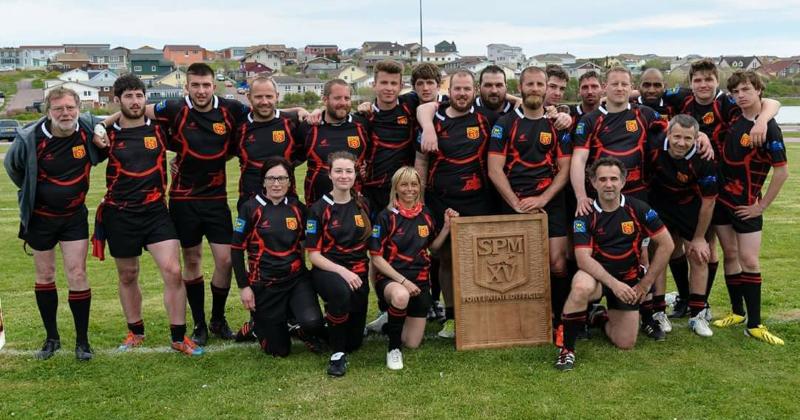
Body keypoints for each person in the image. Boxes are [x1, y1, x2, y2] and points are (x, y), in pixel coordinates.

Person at [660, 59, 780, 320]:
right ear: (690, 83)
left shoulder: (727, 102)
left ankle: (701, 304)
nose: (703, 85)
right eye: (698, 80)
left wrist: (762, 120)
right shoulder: (682, 99)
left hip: (718, 185)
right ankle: (685, 298)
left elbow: (770, 102)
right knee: (678, 245)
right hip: (686, 183)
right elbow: (647, 93)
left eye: (708, 80)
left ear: (716, 82)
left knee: (709, 248)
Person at [91, 74, 202, 356]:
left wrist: (179, 160)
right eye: (128, 96)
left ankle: (179, 336)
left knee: (173, 271)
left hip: (155, 212)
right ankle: (135, 331)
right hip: (119, 213)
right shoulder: (107, 135)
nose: (135, 101)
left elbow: (193, 145)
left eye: (139, 95)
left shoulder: (160, 130)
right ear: (118, 100)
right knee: (128, 274)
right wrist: (101, 124)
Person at [4, 87, 102, 360]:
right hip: (40, 219)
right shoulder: (29, 138)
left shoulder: (87, 130)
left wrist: (102, 134)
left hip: (73, 218)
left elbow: (112, 121)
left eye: (70, 107)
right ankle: (52, 339)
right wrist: (33, 192)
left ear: (78, 109)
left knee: (78, 274)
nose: (65, 113)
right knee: (45, 276)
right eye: (58, 108)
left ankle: (82, 342)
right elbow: (13, 168)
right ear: (48, 111)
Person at [556, 157, 674, 371]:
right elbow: (583, 258)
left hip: (628, 280)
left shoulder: (639, 208)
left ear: (623, 181)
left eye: (613, 179)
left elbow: (667, 244)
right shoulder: (585, 214)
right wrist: (614, 285)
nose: (608, 184)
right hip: (598, 279)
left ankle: (599, 317)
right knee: (581, 286)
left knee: (625, 342)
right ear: (593, 182)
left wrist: (645, 284)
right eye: (602, 179)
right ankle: (567, 350)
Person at [487, 66, 572, 344]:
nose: (535, 88)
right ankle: (522, 322)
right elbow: (494, 169)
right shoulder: (505, 123)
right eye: (530, 84)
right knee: (515, 266)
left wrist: (543, 199)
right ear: (520, 87)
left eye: (540, 84)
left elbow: (565, 168)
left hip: (551, 201)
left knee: (557, 264)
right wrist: (517, 203)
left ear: (547, 88)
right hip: (514, 201)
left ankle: (559, 320)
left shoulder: (557, 124)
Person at [415, 69, 501, 338]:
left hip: (479, 201)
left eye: (467, 89)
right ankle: (451, 316)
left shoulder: (487, 119)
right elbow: (421, 163)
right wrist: (417, 201)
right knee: (445, 258)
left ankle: (482, 312)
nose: (462, 94)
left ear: (474, 91)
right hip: (441, 201)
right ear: (448, 91)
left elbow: (515, 102)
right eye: (457, 89)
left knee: (483, 259)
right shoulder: (434, 119)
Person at [711, 71, 789, 345]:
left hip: (747, 205)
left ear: (758, 91)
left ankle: (755, 324)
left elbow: (782, 173)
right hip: (722, 202)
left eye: (746, 90)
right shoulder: (734, 114)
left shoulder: (770, 129)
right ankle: (737, 312)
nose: (740, 95)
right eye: (736, 92)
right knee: (730, 255)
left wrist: (762, 207)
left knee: (750, 260)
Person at [232, 157, 325, 356]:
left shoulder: (297, 208)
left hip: (295, 280)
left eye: (282, 178)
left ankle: (300, 327)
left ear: (290, 182)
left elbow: (304, 243)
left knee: (314, 323)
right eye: (271, 178)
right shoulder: (249, 208)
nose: (276, 184)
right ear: (263, 181)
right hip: (265, 284)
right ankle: (257, 326)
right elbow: (236, 249)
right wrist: (244, 287)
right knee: (278, 351)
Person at [369, 166, 456, 369]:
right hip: (393, 280)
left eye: (414, 184)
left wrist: (446, 228)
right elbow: (376, 258)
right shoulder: (385, 217)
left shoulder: (425, 214)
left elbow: (433, 249)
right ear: (396, 188)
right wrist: (403, 282)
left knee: (413, 343)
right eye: (404, 184)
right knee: (401, 296)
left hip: (420, 282)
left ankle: (391, 323)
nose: (410, 189)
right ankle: (393, 350)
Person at [646, 114, 717, 337]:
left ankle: (697, 314)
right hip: (661, 203)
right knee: (659, 253)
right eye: (676, 136)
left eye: (687, 138)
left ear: (696, 139)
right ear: (668, 134)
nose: (681, 142)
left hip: (690, 206)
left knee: (698, 254)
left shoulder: (704, 157)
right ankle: (658, 311)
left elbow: (708, 201)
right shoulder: (654, 145)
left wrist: (698, 237)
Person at [306, 151, 372, 377]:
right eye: (339, 171)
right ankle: (336, 355)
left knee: (354, 342)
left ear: (355, 174)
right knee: (340, 293)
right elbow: (314, 255)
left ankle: (316, 329)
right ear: (330, 174)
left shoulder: (362, 203)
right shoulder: (318, 209)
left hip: (359, 273)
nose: (344, 176)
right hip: (328, 270)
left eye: (349, 171)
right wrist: (343, 272)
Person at [234, 75, 304, 209]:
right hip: (249, 204)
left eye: (269, 96)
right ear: (249, 97)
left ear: (277, 96)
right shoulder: (238, 127)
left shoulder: (292, 122)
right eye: (259, 97)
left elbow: (304, 154)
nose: (264, 101)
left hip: (287, 203)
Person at [299, 79, 370, 205]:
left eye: (347, 98)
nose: (343, 103)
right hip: (317, 206)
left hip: (355, 205)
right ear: (325, 100)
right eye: (337, 98)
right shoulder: (308, 127)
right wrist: (299, 109)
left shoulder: (363, 124)